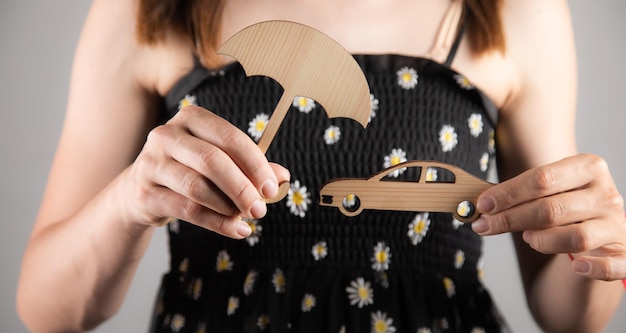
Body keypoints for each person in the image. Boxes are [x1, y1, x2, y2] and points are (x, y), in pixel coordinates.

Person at [16, 0, 626, 332]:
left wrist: (604, 249)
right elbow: (47, 312)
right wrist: (127, 202)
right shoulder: (148, 9)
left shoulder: (518, 11)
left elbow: (567, 316)